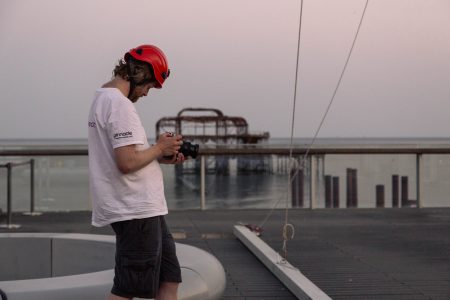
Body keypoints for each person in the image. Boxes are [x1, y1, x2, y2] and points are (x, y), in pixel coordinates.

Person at [88, 44, 185, 300]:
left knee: (169, 278)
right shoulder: (119, 105)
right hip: (135, 210)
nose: (147, 93)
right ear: (139, 73)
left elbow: (124, 157)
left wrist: (159, 156)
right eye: (150, 85)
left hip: (146, 210)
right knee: (127, 289)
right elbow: (126, 162)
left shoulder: (104, 98)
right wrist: (159, 146)